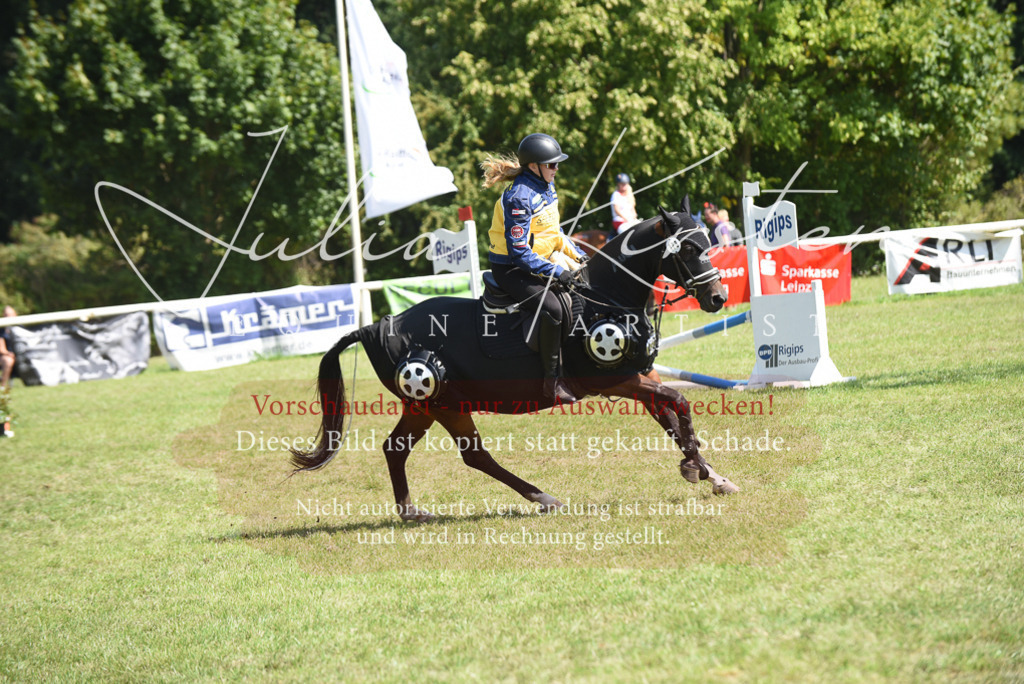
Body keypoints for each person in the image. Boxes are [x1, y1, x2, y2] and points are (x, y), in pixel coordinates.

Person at [482, 133, 587, 404]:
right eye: (552, 164)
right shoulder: (519, 197)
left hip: (540, 260)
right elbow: (519, 253)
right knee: (552, 309)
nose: (556, 169)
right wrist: (556, 272)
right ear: (534, 166)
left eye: (556, 164)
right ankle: (551, 382)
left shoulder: (546, 186)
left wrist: (578, 256)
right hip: (512, 270)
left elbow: (553, 231)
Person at [0, 306, 16, 391]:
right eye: (5, 315)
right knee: (8, 360)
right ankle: (3, 385)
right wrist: (9, 353)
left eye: (9, 314)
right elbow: (1, 348)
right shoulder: (1, 330)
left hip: (21, 354)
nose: (8, 317)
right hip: (6, 355)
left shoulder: (21, 326)